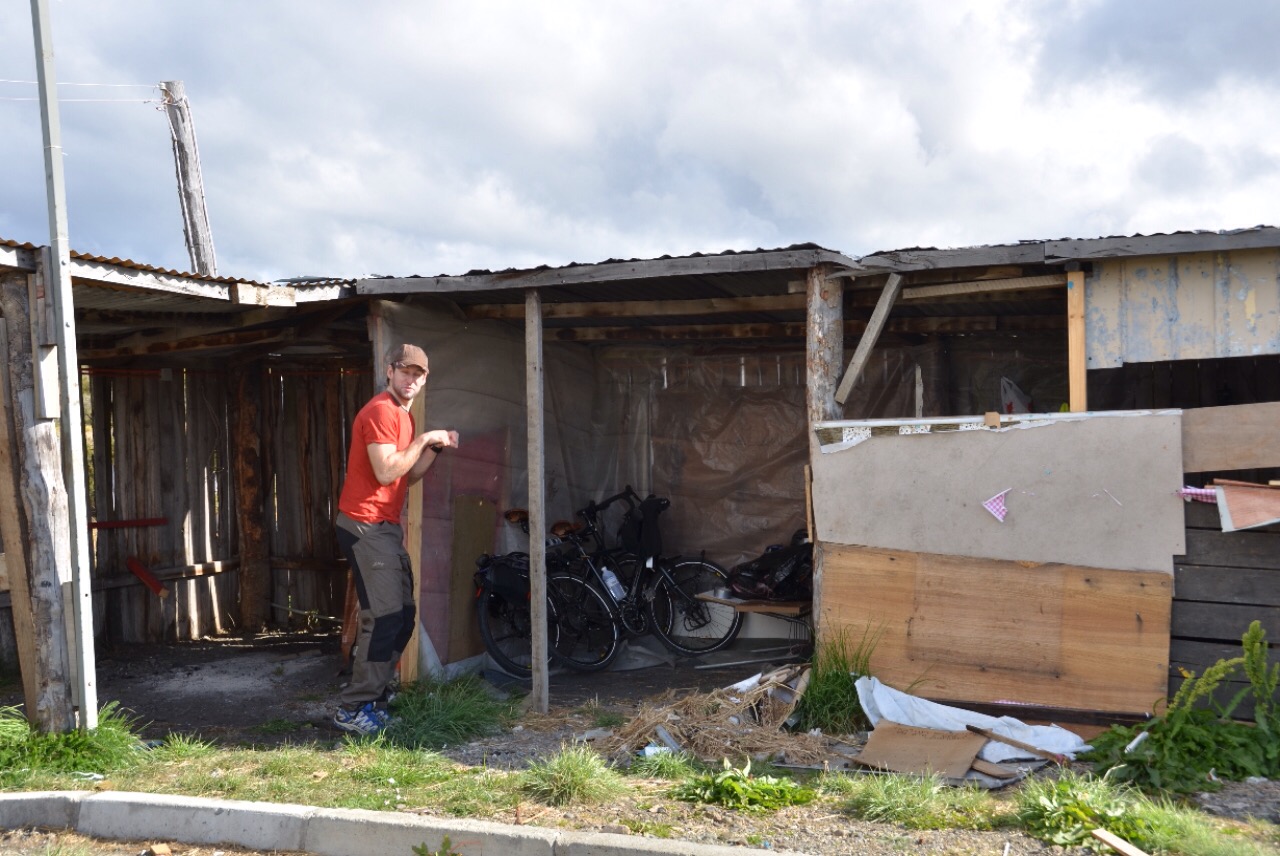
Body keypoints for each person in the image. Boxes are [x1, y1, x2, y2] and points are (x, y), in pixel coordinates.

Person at [333, 343, 459, 734]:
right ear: (389, 371)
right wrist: (423, 440)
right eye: (405, 372)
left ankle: (374, 698)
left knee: (402, 619)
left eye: (418, 374)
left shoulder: (402, 417)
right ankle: (352, 709)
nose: (411, 380)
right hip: (365, 525)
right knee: (384, 617)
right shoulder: (382, 412)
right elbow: (387, 473)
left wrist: (432, 448)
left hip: (384, 527)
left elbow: (407, 475)